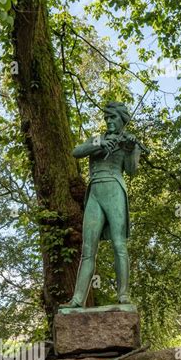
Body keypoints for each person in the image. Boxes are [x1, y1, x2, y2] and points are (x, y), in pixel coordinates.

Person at [63, 101, 142, 307]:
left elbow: (132, 170)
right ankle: (77, 299)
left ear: (122, 119)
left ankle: (123, 295)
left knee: (119, 244)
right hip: (95, 192)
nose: (109, 121)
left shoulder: (128, 142)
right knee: (88, 250)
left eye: (113, 117)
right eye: (107, 118)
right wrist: (98, 144)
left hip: (115, 188)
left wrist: (133, 148)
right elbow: (77, 151)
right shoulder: (98, 138)